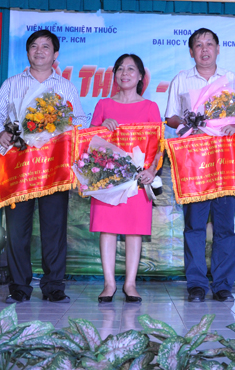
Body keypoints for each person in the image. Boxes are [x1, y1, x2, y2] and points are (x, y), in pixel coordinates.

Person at [0, 30, 87, 304]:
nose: (39, 51)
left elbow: (79, 121)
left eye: (45, 47)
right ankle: (19, 286)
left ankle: (54, 287)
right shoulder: (12, 83)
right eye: (34, 46)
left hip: (53, 166)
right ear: (28, 52)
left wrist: (58, 130)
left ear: (55, 54)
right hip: (19, 164)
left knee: (54, 228)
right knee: (17, 229)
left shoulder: (65, 87)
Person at [165, 28, 235, 303]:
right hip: (194, 161)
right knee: (195, 225)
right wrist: (190, 123)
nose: (204, 49)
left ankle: (223, 285)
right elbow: (170, 117)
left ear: (218, 48)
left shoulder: (231, 79)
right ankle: (197, 284)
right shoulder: (181, 79)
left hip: (225, 160)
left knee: (225, 226)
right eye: (198, 45)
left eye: (209, 44)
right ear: (191, 52)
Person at [89, 54, 161, 304]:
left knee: (134, 230)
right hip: (107, 179)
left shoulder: (150, 107)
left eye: (131, 69)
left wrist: (152, 170)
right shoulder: (103, 105)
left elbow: (159, 145)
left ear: (141, 76)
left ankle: (130, 283)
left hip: (137, 179)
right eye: (120, 69)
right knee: (107, 229)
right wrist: (101, 128)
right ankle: (109, 283)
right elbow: (89, 142)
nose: (125, 73)